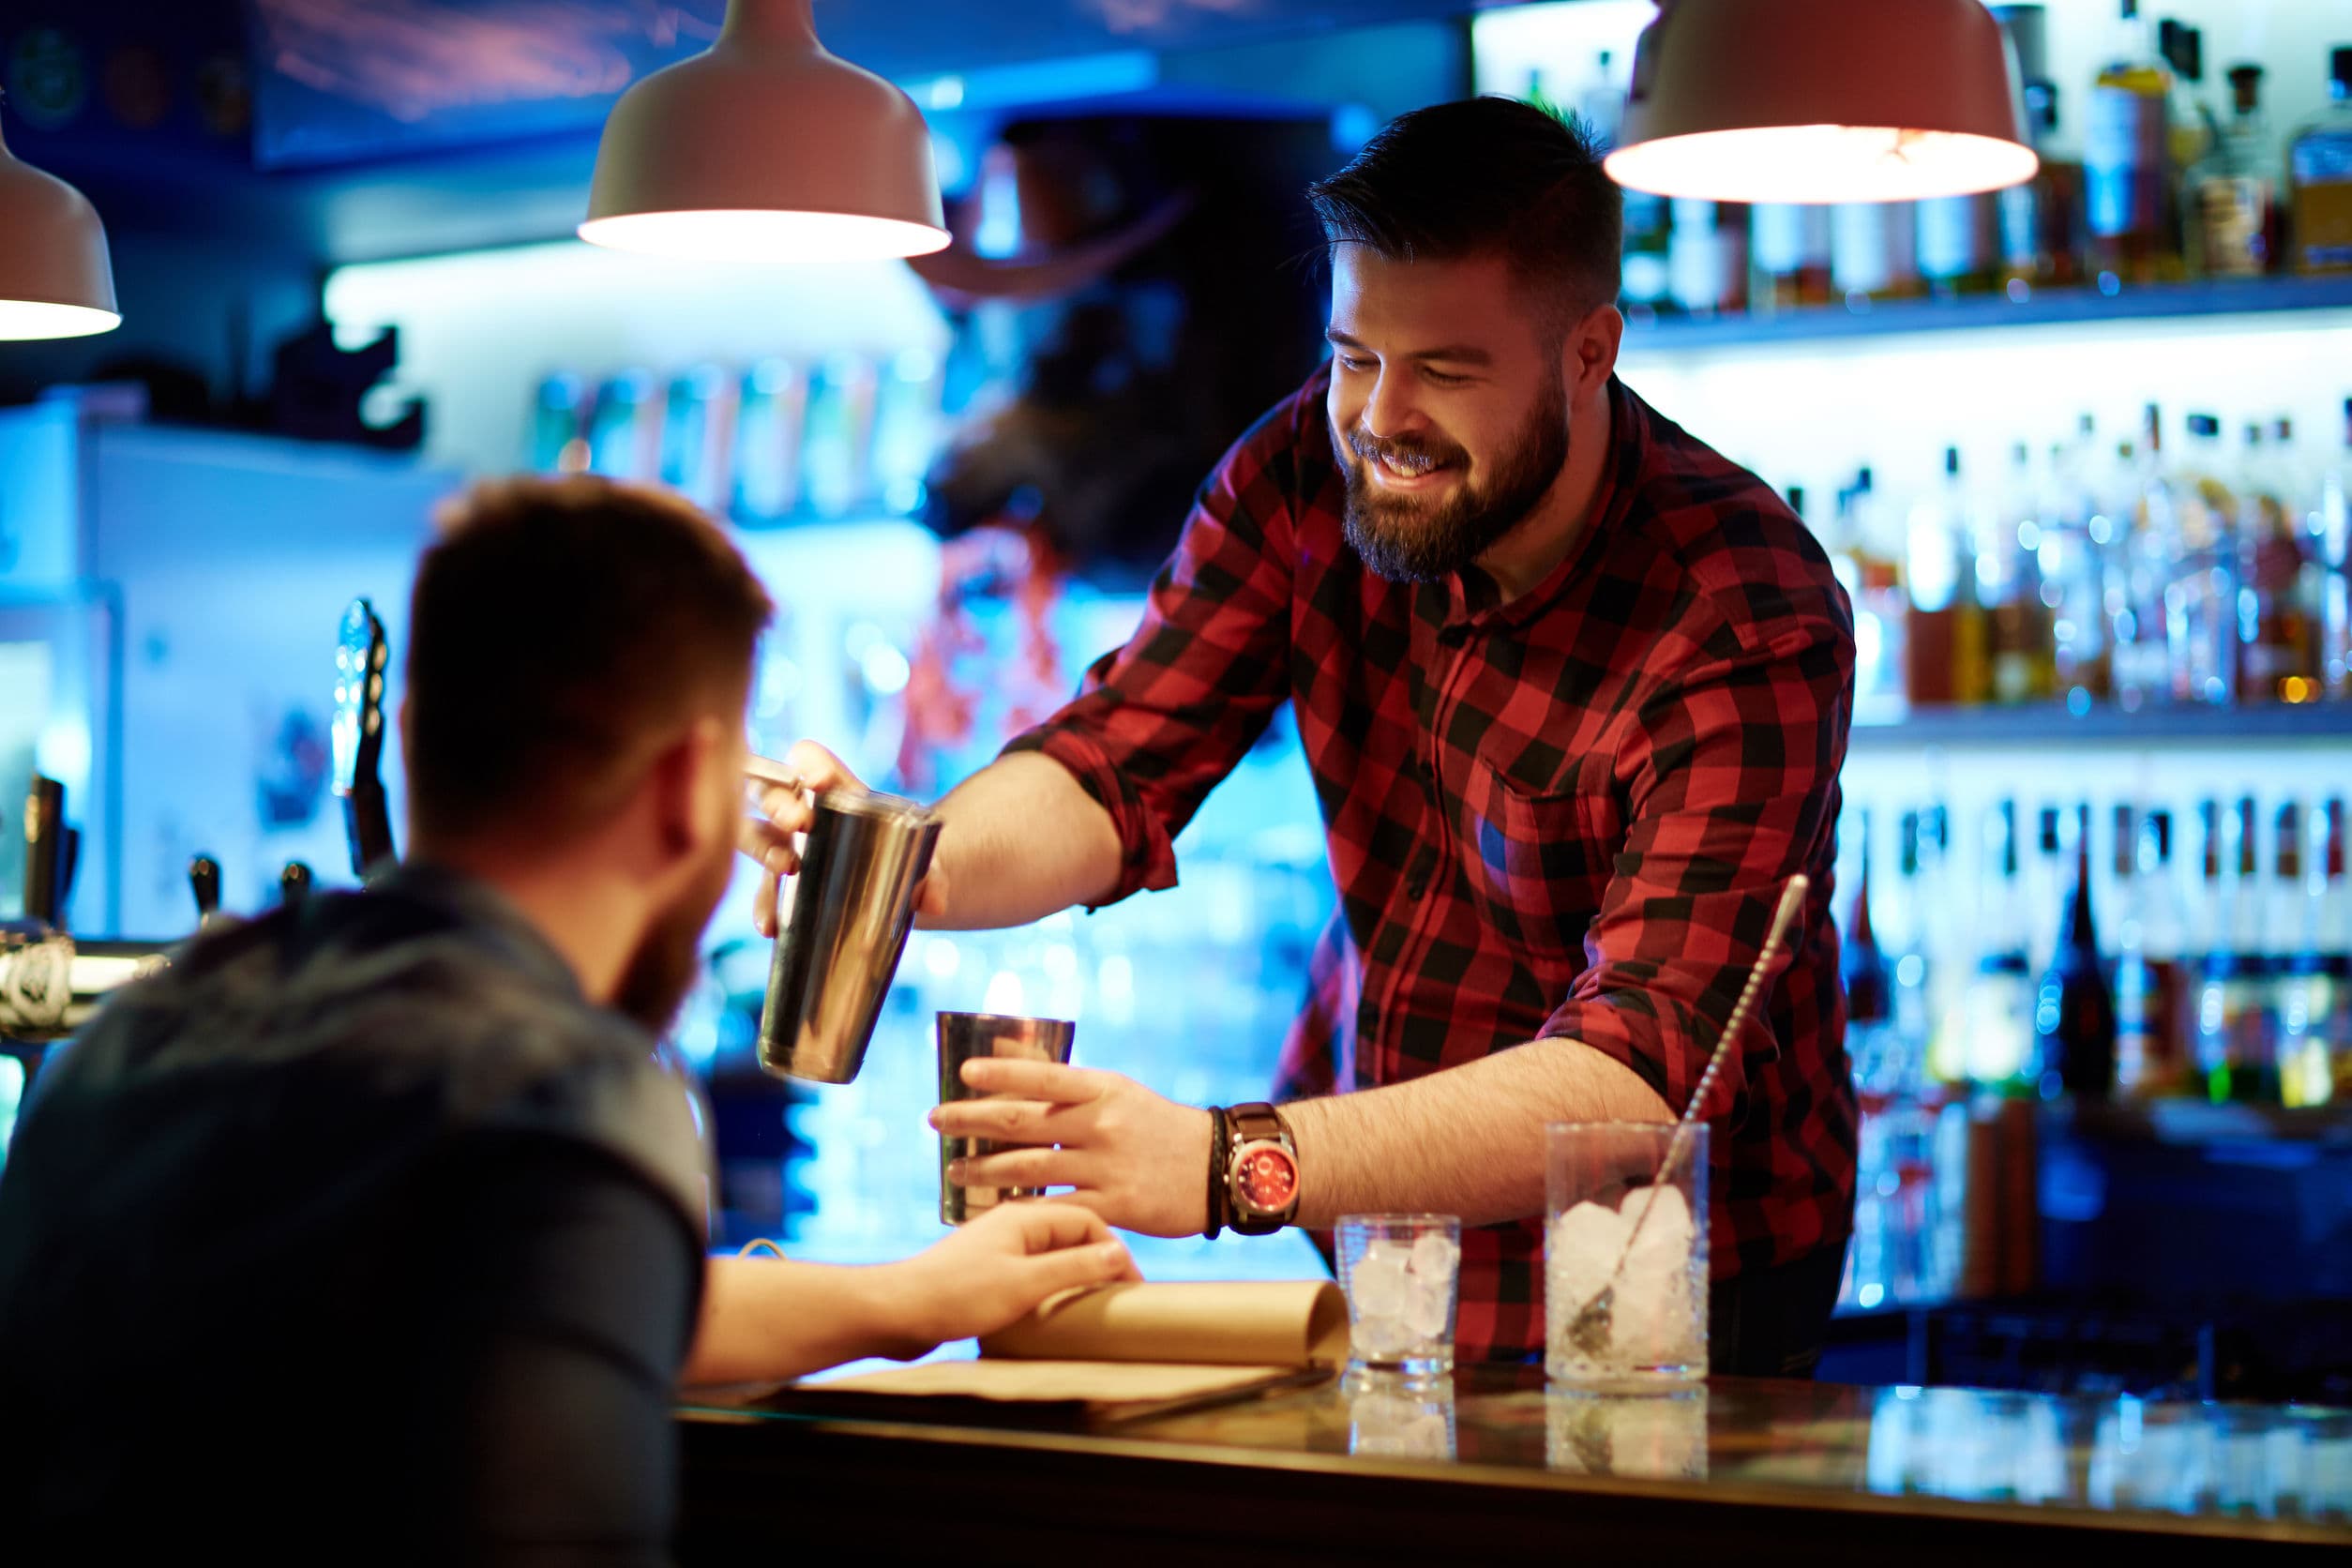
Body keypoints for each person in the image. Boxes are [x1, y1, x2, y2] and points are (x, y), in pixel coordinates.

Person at [746, 98, 1857, 1375]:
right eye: (1354, 355)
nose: (1381, 419)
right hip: (1391, 1237)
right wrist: (909, 862)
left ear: (1589, 353)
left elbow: (1635, 1079)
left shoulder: (1741, 606)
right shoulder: (1300, 476)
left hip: (1677, 1279)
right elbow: (1119, 760)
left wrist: (1226, 1162)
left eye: (1445, 369)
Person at [0, 477, 1135, 1563]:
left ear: (418, 739)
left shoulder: (130, 1041)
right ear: (697, 778)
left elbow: (517, 1293)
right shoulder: (570, 1096)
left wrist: (907, 1299)